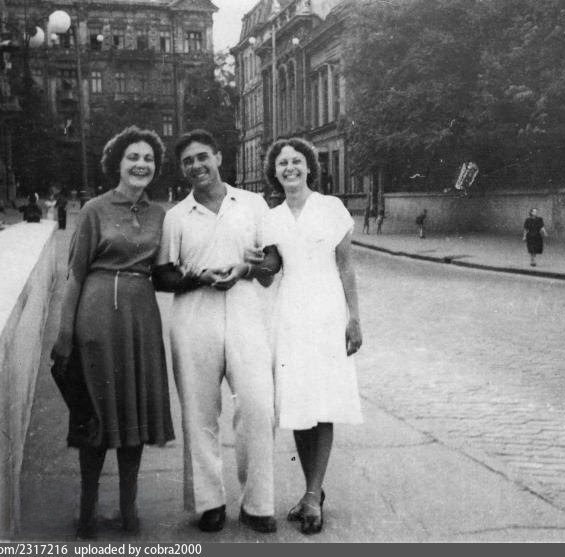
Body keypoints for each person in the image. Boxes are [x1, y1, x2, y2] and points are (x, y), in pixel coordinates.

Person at [50, 126, 175, 539]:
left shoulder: (160, 214)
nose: (141, 165)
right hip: (97, 318)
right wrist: (65, 334)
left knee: (134, 413)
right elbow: (75, 275)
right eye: (133, 157)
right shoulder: (94, 209)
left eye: (148, 159)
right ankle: (87, 513)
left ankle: (128, 510)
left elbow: (166, 269)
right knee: (96, 414)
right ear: (117, 164)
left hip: (141, 319)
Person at [152, 129, 277, 534]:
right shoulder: (177, 216)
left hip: (246, 313)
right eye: (188, 161)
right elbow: (162, 275)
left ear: (219, 157)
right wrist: (199, 277)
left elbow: (273, 261)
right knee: (199, 411)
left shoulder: (252, 204)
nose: (196, 166)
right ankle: (210, 503)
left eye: (202, 156)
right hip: (194, 317)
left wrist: (245, 268)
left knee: (258, 406)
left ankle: (258, 503)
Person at [258, 137, 363, 535]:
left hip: (327, 313)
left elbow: (346, 266)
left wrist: (355, 318)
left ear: (309, 167)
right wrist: (252, 265)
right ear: (275, 172)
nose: (290, 168)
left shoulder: (331, 208)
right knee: (299, 404)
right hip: (290, 315)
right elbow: (269, 271)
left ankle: (313, 494)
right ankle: (310, 492)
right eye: (282, 163)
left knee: (324, 401)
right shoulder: (271, 218)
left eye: (296, 161)